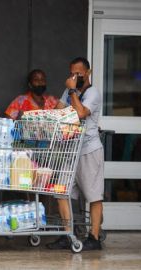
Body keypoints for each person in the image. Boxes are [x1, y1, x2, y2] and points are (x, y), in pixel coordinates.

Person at [46, 57, 104, 251]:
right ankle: (67, 234)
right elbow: (58, 111)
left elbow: (80, 113)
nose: (75, 77)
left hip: (88, 150)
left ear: (87, 73)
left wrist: (72, 90)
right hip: (69, 149)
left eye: (78, 73)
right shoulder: (68, 91)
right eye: (72, 73)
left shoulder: (92, 93)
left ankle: (94, 237)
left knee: (93, 195)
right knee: (61, 192)